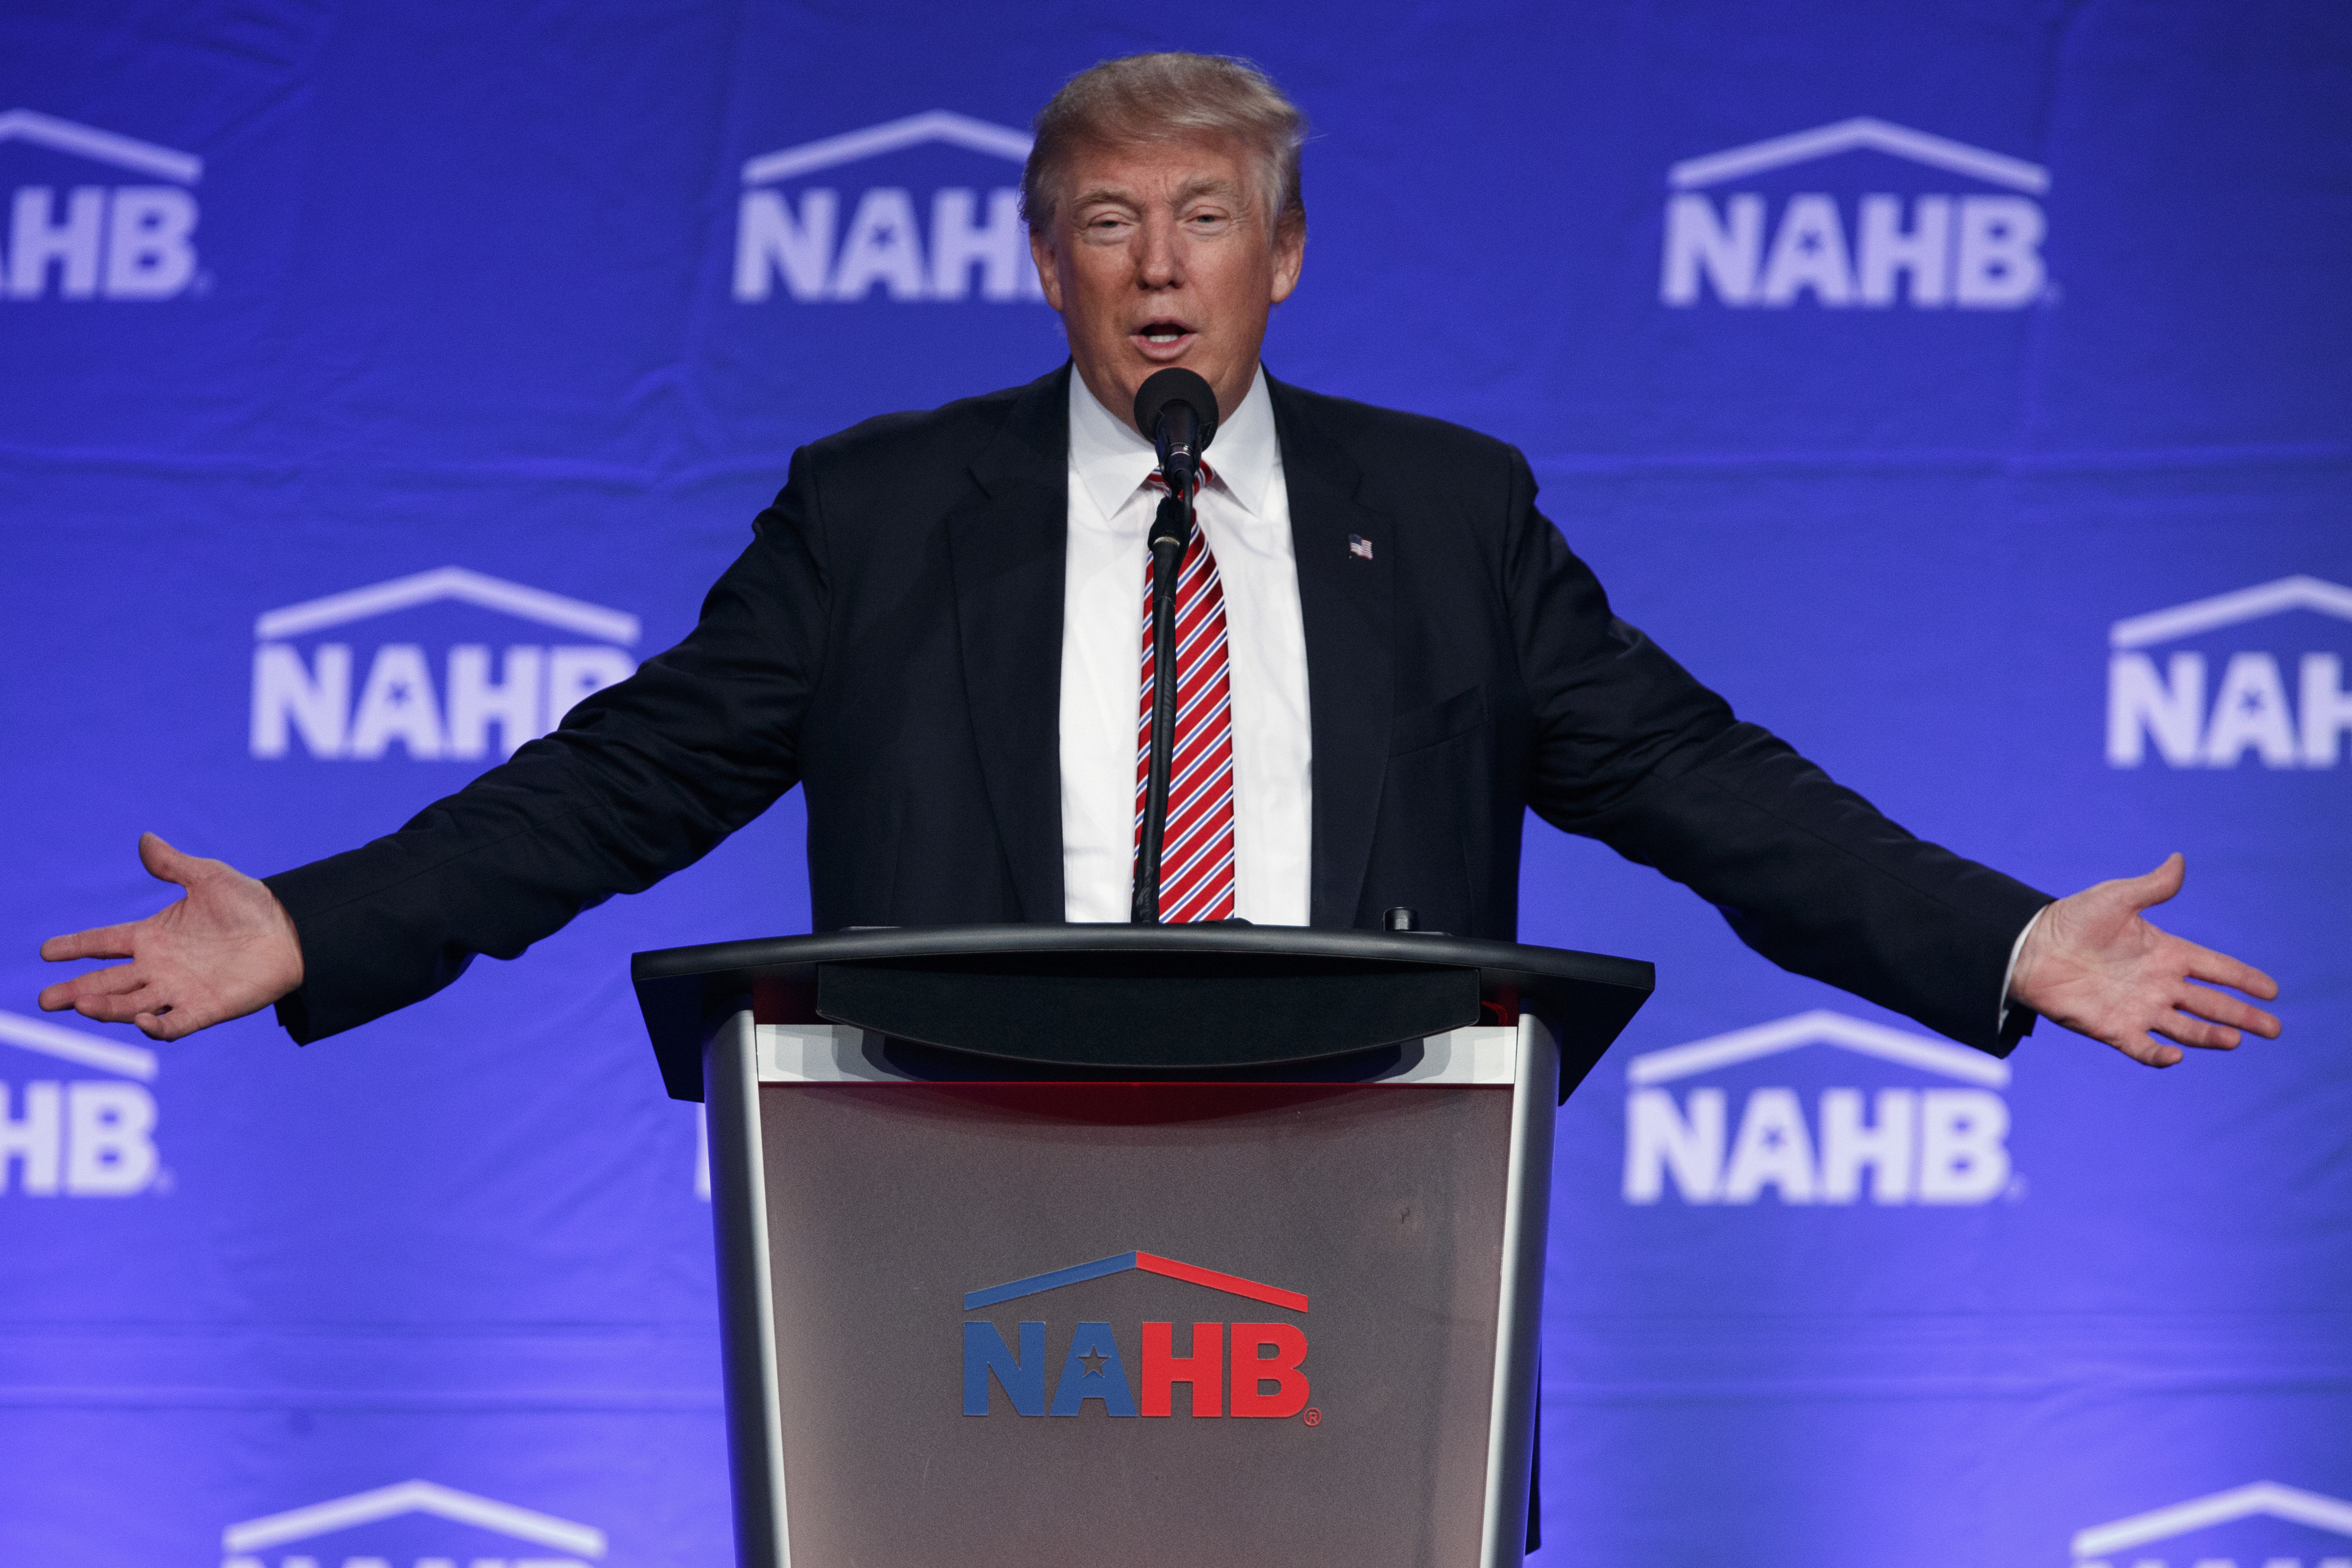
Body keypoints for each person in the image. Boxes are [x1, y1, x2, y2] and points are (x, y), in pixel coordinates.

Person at [39, 54, 2278, 1076]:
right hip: (947, 1168)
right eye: (1105, 223)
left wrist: (2002, 939)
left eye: (1206, 217)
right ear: (1044, 265)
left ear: (1286, 256)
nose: (1157, 266)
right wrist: (317, 922)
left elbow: (1704, 785)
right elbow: (624, 778)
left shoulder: (1449, 509)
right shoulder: (885, 507)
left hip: (1370, 1157)